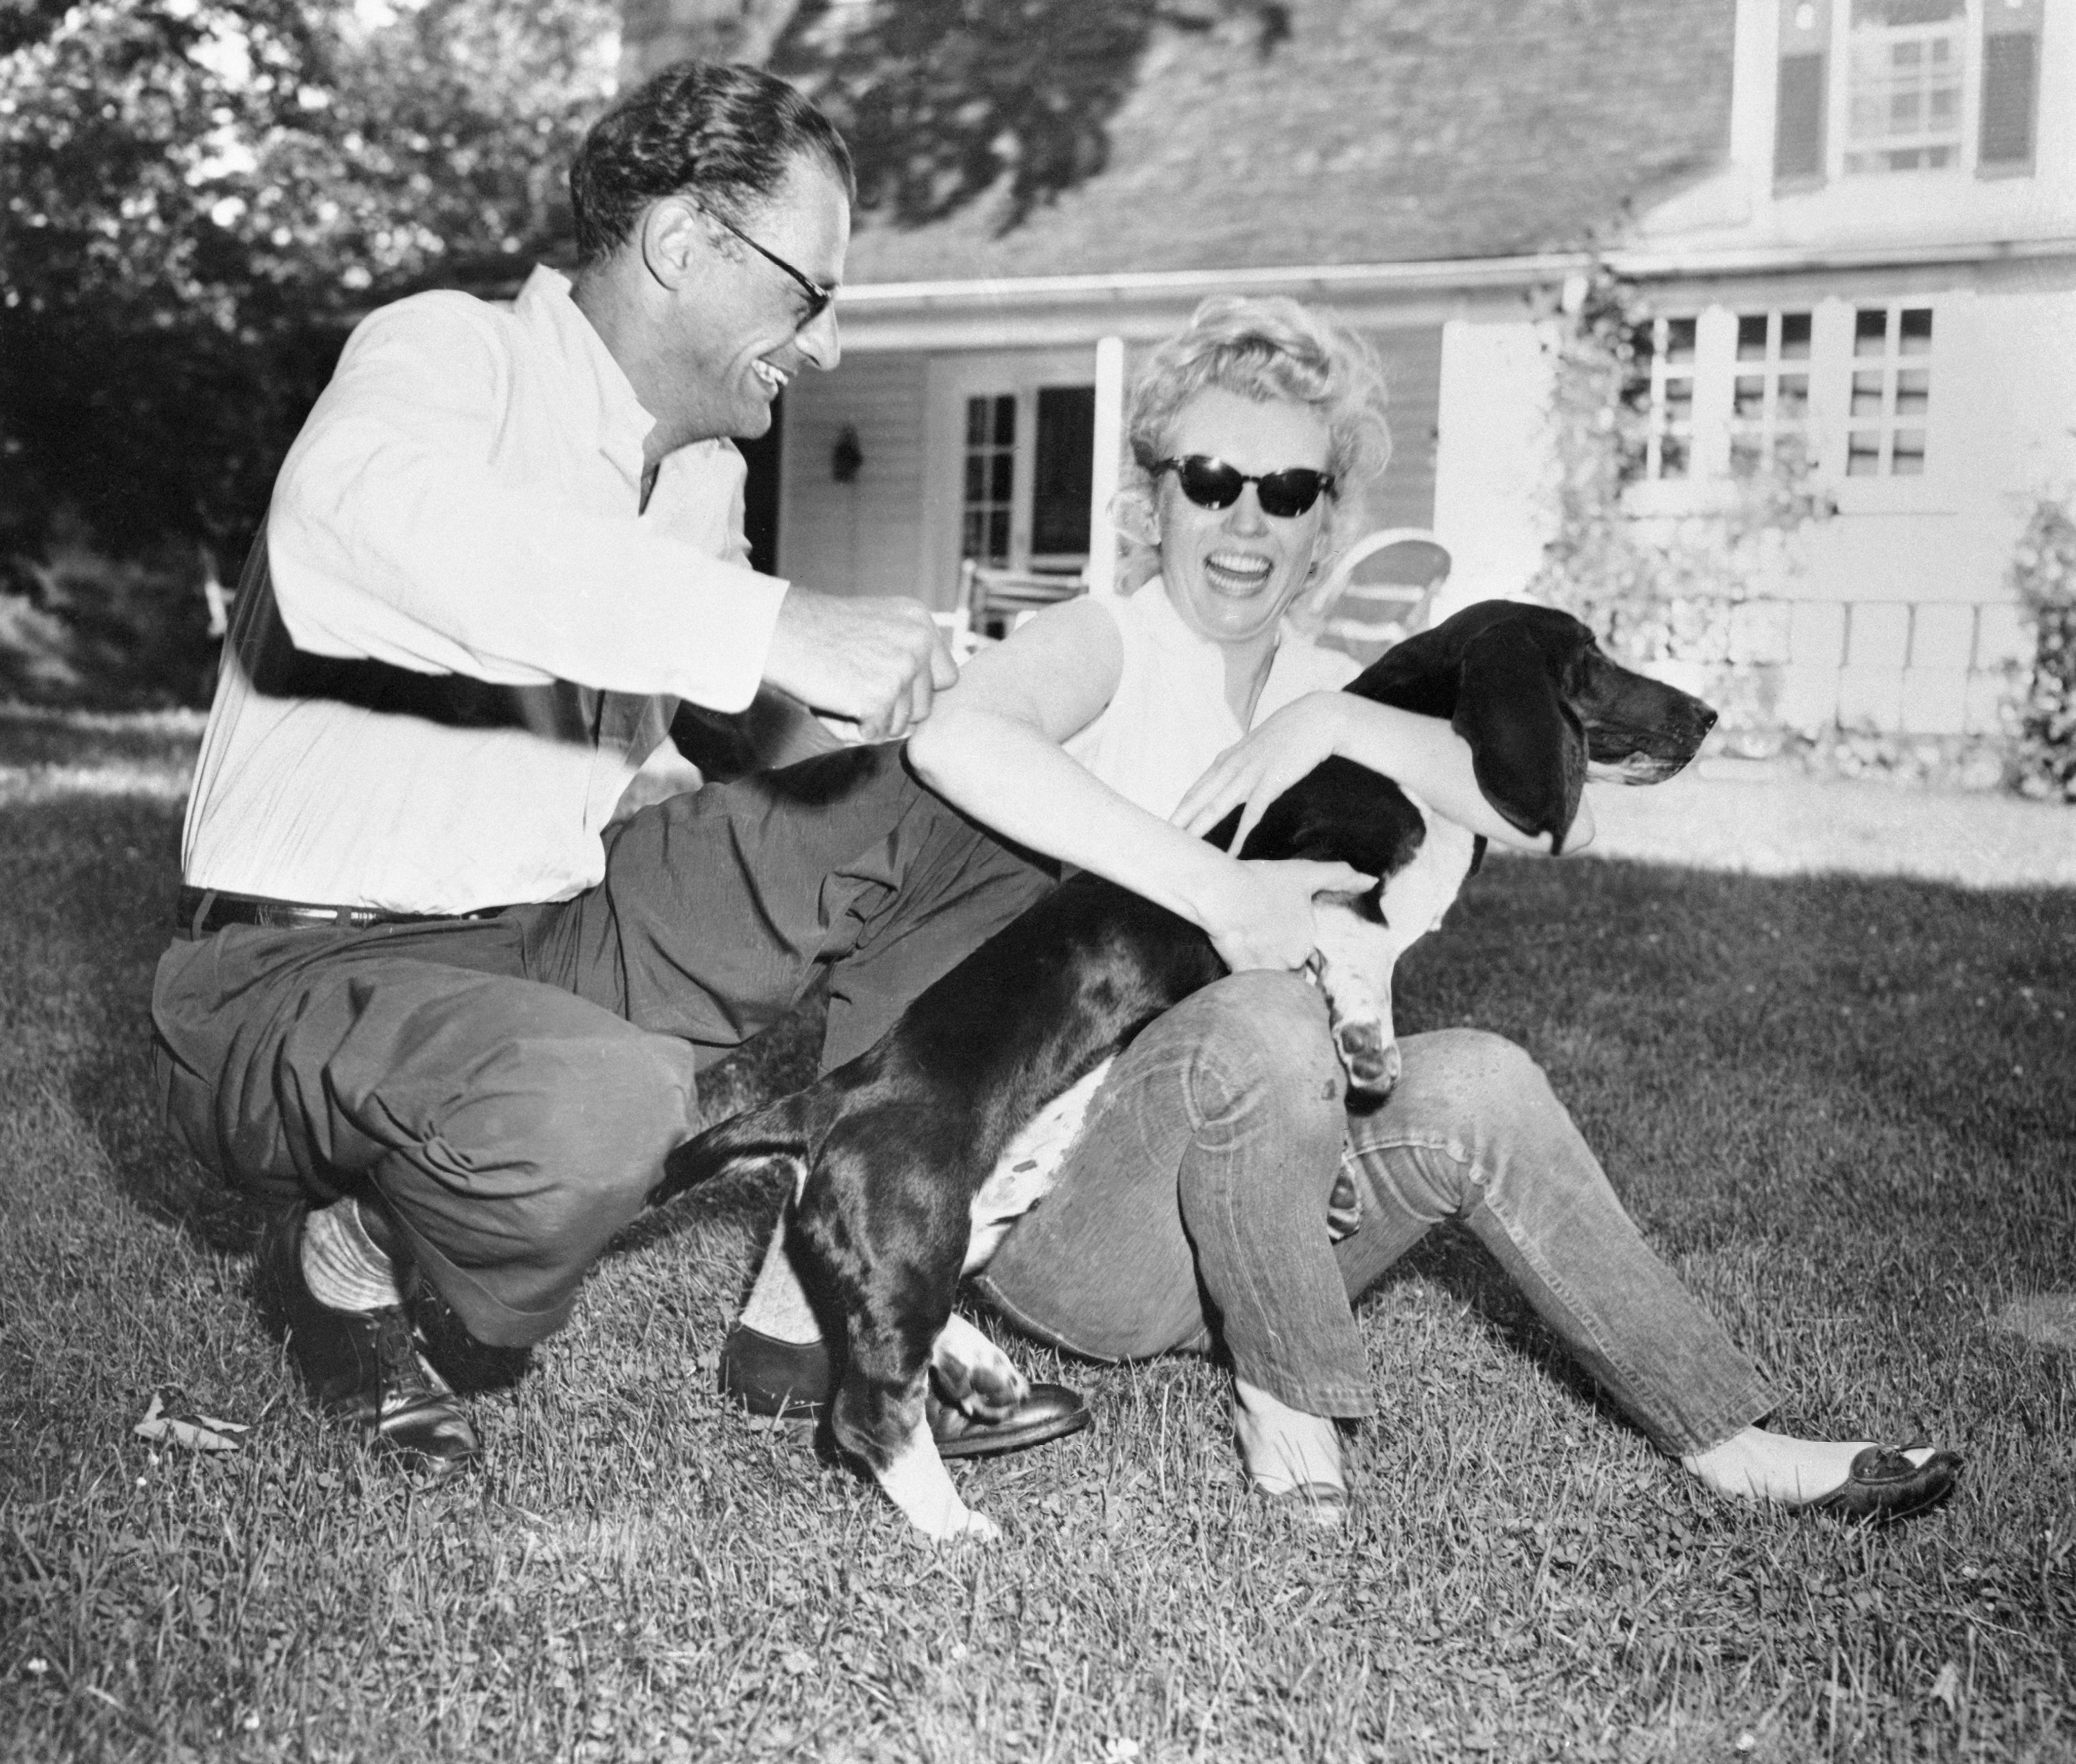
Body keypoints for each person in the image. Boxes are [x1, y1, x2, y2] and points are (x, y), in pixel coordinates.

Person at [732, 295, 1963, 1526]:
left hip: (1270, 1196)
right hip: (1082, 1227)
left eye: (1289, 490)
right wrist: (1215, 883)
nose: (1246, 521)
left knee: (1482, 1075)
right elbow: (957, 739)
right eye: (1211, 479)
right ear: (1152, 496)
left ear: (1327, 522)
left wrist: (1328, 723)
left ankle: (1729, 1439)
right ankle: (1291, 1412)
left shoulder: (1342, 693)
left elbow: (1554, 818)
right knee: (1265, 1005)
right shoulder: (1108, 643)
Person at [149, 61, 1089, 1475]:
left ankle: (841, 1255)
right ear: (680, 243)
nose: (821, 350)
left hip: (544, 940)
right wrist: (779, 623)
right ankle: (343, 1256)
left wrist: (929, 754)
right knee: (600, 1108)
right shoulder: (447, 352)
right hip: (295, 973)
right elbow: (350, 532)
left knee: (971, 823)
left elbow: (724, 742)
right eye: (808, 295)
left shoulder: (699, 474)